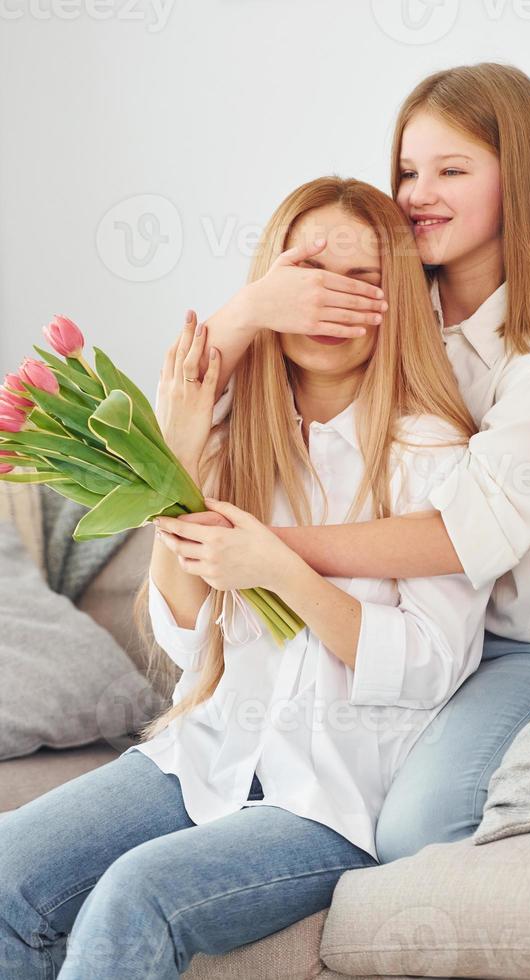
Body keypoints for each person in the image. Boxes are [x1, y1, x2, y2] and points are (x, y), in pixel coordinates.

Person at [0, 177, 493, 979]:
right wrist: (181, 459)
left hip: (330, 806)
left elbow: (427, 665)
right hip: (205, 761)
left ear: (397, 299)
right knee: (8, 869)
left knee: (137, 896)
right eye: (308, 272)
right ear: (273, 289)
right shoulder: (240, 436)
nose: (329, 299)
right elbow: (182, 632)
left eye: (362, 279)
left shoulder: (431, 451)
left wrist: (281, 569)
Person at [196, 63, 530, 862]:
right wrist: (248, 308)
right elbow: (203, 407)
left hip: (527, 639)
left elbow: (459, 540)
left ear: (518, 183)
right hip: (428, 625)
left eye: (451, 170)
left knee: (416, 827)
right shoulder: (393, 299)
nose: (417, 192)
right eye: (406, 169)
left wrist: (272, 550)